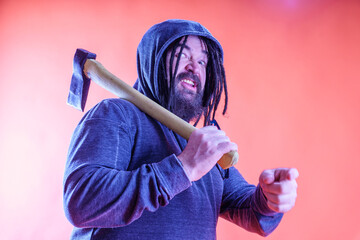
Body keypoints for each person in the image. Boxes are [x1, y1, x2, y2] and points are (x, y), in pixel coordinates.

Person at [63, 19, 298, 239]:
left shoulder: (198, 143)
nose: (193, 67)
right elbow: (82, 201)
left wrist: (269, 199)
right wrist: (184, 167)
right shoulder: (116, 115)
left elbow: (249, 210)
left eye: (202, 61)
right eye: (181, 55)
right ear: (152, 61)